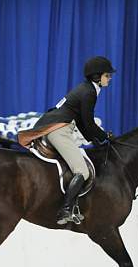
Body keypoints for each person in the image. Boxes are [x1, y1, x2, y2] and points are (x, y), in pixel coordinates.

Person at [31, 56, 115, 225]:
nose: (110, 78)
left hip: (56, 127)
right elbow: (89, 123)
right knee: (82, 172)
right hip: (58, 131)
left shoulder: (85, 89)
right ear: (97, 77)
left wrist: (96, 140)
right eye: (107, 75)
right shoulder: (89, 92)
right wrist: (104, 136)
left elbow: (84, 124)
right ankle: (66, 209)